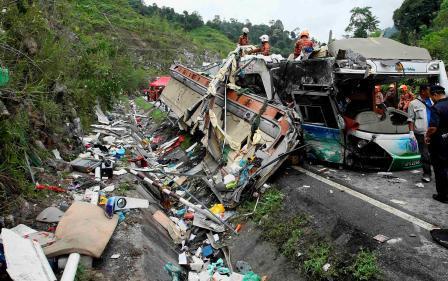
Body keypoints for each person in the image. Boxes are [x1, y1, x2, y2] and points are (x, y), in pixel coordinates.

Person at [425, 85, 448, 203]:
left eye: (431, 97)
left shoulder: (437, 107)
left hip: (440, 142)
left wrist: (427, 136)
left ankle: (443, 195)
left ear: (435, 95)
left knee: (440, 168)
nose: (431, 99)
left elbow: (433, 128)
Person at [407, 84, 432, 182]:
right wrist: (411, 133)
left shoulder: (433, 101)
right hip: (421, 133)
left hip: (434, 132)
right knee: (425, 154)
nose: (431, 92)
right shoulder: (413, 103)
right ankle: (427, 174)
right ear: (423, 91)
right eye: (429, 90)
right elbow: (411, 119)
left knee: (436, 154)